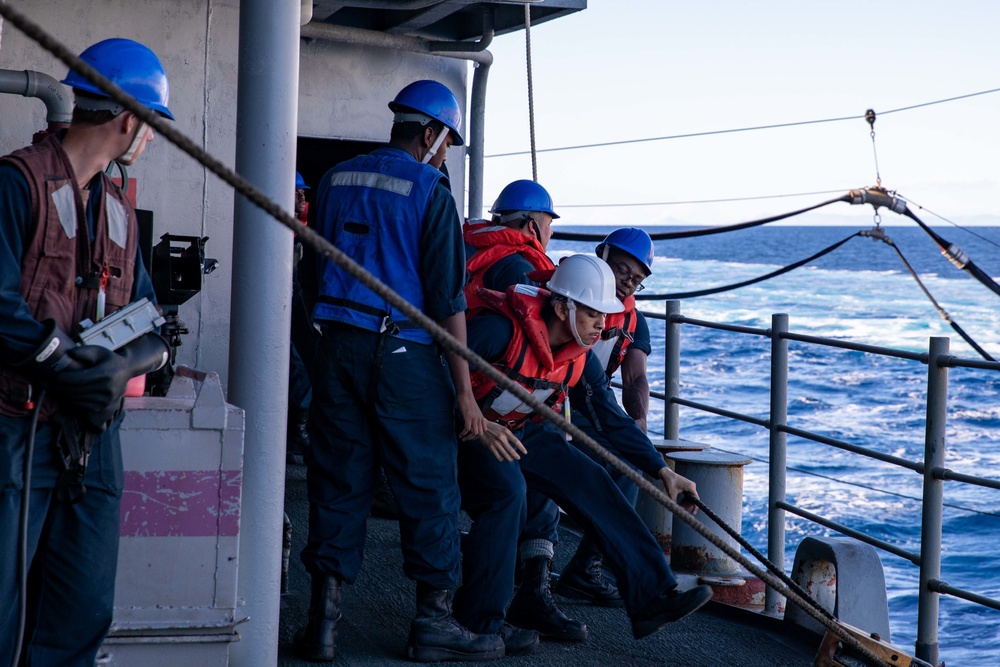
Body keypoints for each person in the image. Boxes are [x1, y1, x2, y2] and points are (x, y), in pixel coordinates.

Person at [295, 80, 504, 663]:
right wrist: (464, 393)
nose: (443, 153)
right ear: (434, 134)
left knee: (338, 480)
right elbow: (448, 300)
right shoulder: (431, 190)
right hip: (404, 355)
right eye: (446, 142)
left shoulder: (334, 179)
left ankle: (322, 626)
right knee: (430, 485)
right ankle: (433, 624)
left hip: (337, 349)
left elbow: (311, 277)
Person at [0, 38, 173, 666]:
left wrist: (124, 365)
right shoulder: (15, 184)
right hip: (18, 432)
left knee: (81, 612)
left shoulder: (120, 211)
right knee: (1, 619)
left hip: (94, 442)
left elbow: (153, 324)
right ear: (130, 118)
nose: (151, 140)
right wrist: (64, 368)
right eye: (152, 127)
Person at [452, 254, 713, 648]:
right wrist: (473, 420)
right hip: (463, 433)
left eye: (604, 316)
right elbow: (438, 369)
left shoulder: (578, 357)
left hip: (518, 431)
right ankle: (480, 623)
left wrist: (662, 470)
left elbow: (611, 418)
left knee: (593, 477)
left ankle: (654, 597)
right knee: (509, 493)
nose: (601, 325)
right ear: (561, 306)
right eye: (593, 314)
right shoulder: (498, 329)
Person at [552, 227, 655, 606]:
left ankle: (587, 567)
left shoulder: (632, 322)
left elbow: (636, 376)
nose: (628, 284)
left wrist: (639, 421)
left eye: (637, 280)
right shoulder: (564, 291)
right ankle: (530, 558)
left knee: (630, 463)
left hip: (590, 408)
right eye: (624, 272)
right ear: (603, 255)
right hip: (547, 400)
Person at [463, 179, 559, 314]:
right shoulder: (520, 269)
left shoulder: (475, 248)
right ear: (532, 227)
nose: (551, 232)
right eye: (549, 224)